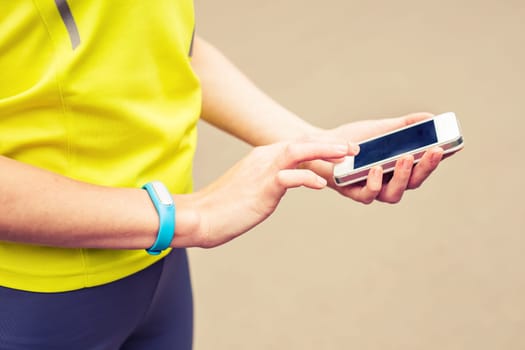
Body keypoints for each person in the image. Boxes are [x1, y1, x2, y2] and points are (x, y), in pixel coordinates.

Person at [0, 1, 447, 349]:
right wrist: (193, 214)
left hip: (159, 255)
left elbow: (168, 46)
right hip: (35, 297)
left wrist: (313, 145)